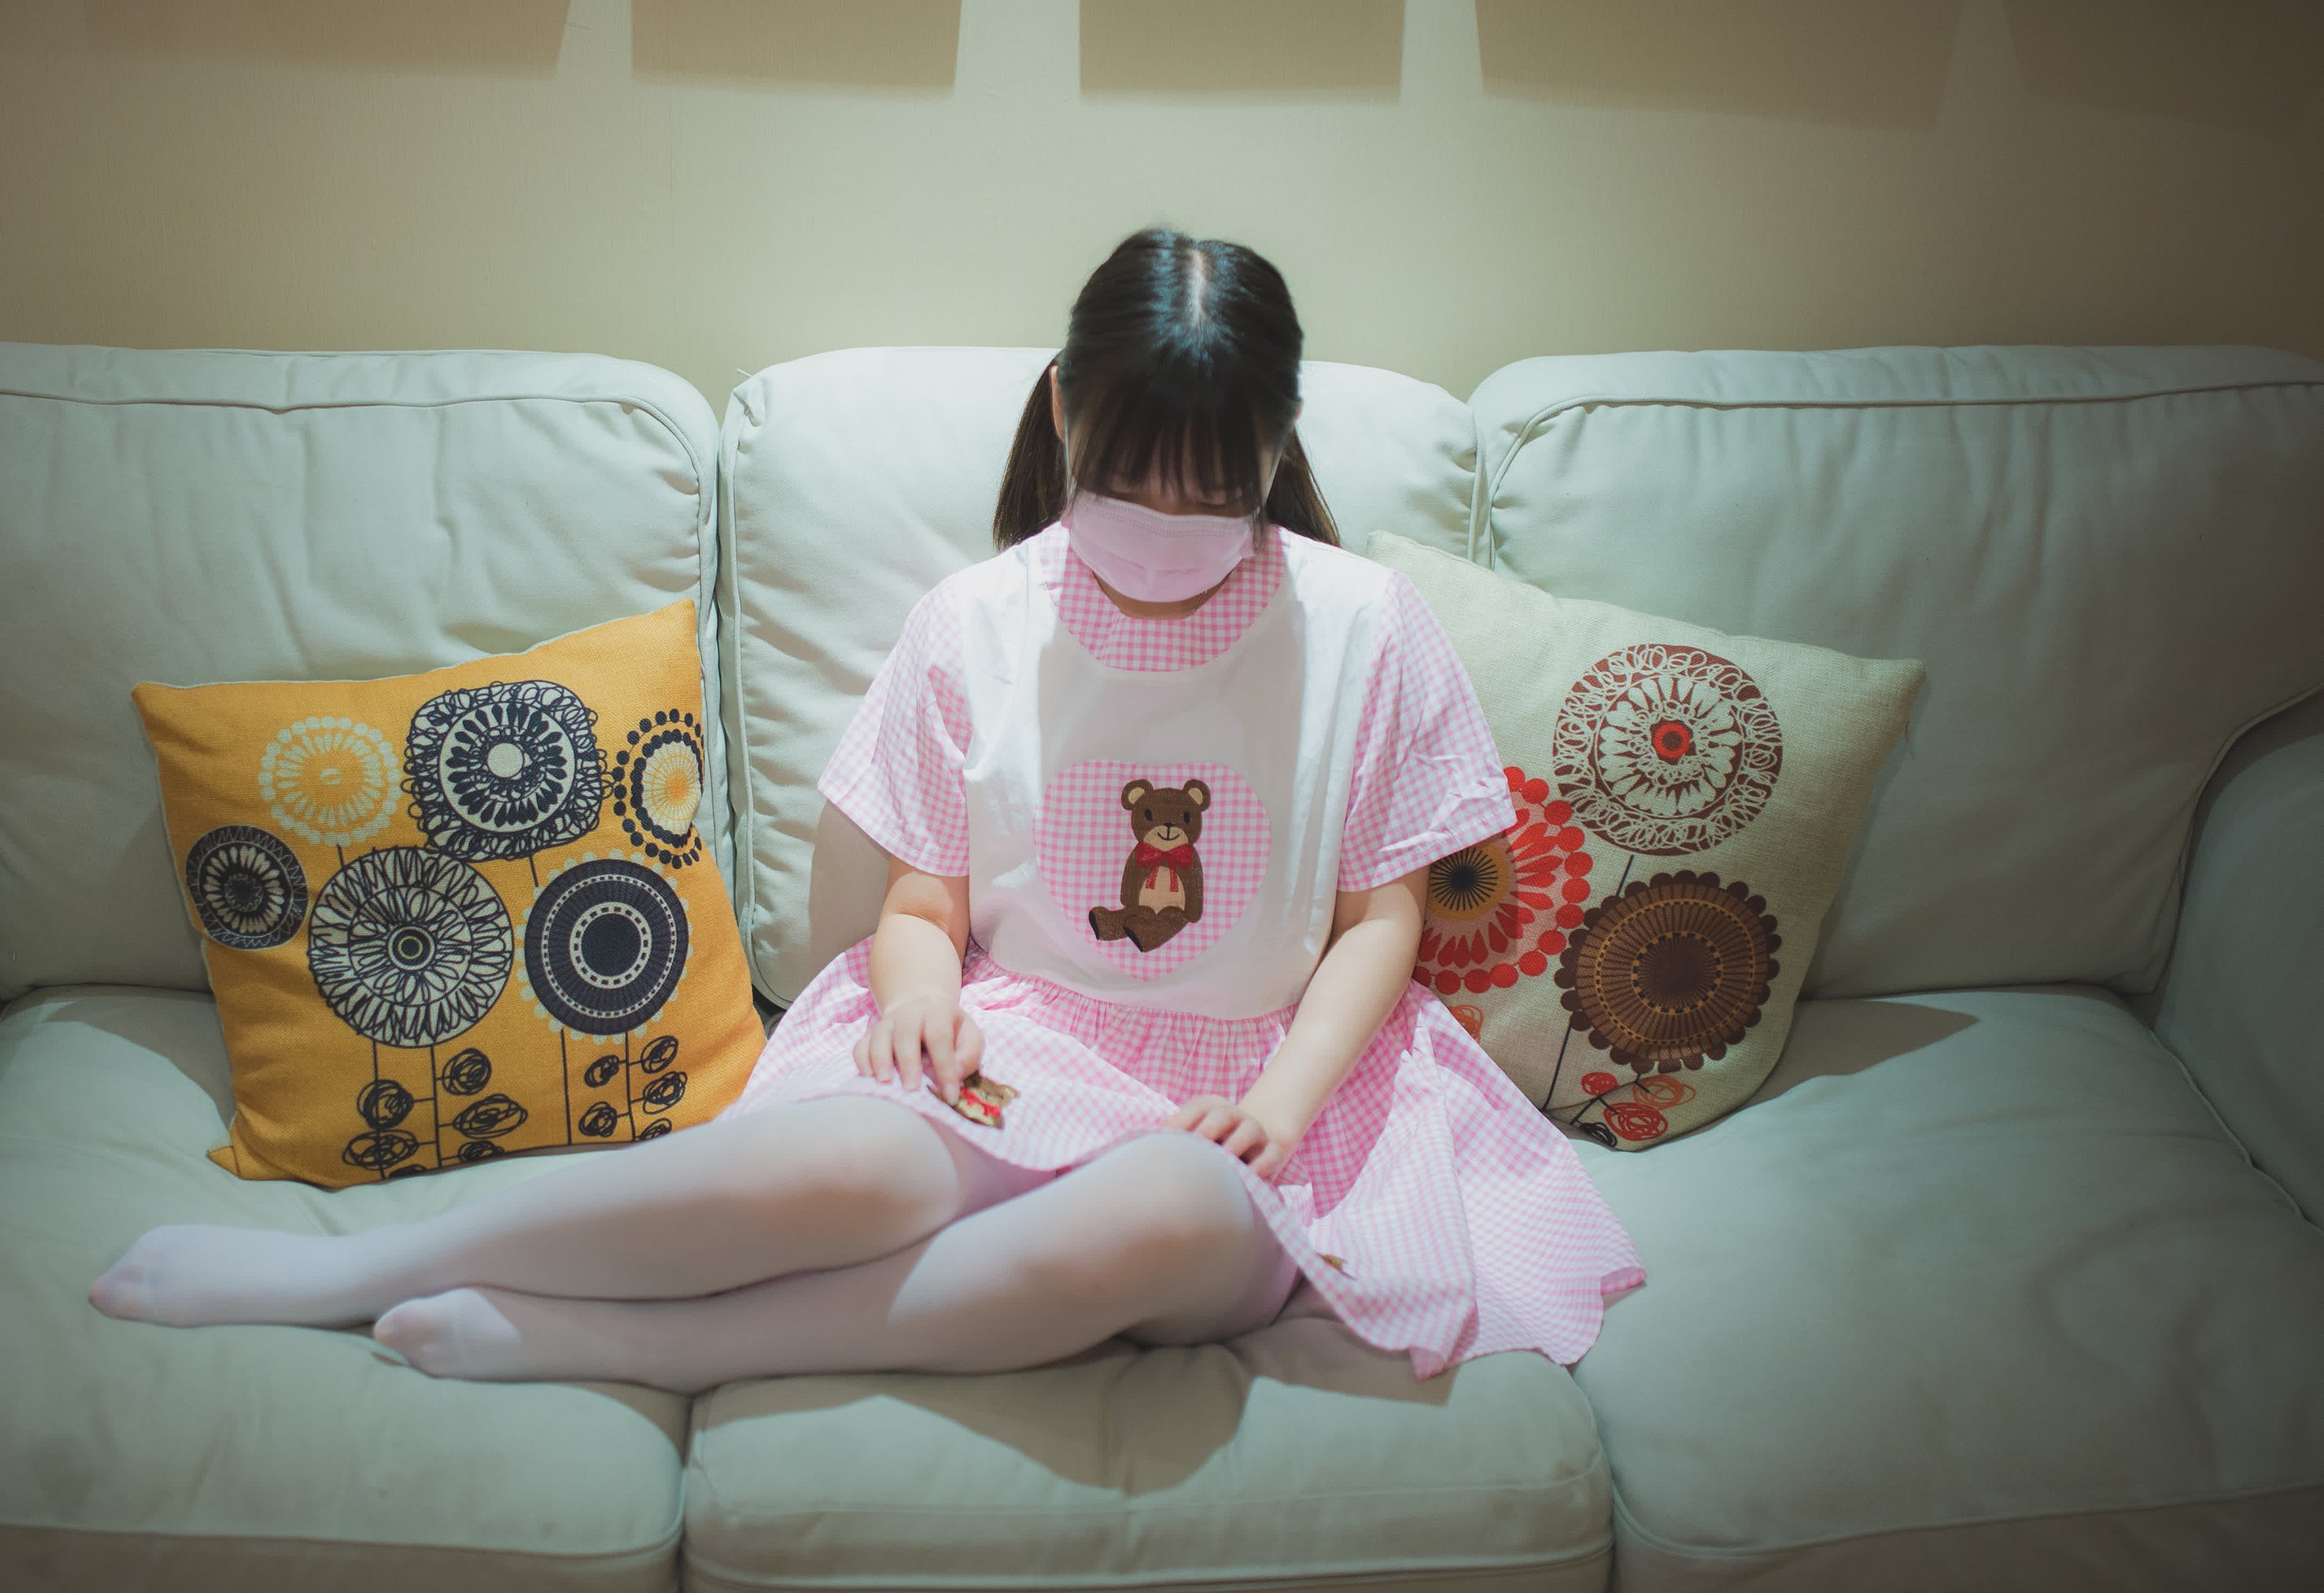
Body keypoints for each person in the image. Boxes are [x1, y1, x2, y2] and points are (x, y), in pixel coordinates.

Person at [90, 227, 1646, 1390]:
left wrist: (1284, 1108)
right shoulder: (975, 620)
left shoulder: (1365, 626)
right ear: (1063, 414)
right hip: (1017, 1044)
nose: (1166, 534)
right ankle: (345, 1272)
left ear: (1273, 454)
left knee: (1166, 1211)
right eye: (1130, 489)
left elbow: (1379, 918)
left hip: (1249, 1087)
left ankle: (650, 1350)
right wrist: (918, 1003)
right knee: (839, 1171)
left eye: (1212, 497)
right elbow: (922, 901)